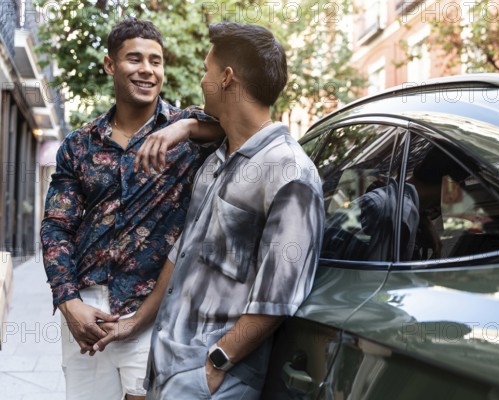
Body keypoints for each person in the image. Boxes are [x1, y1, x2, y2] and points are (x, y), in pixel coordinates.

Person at [138, 22, 324, 399]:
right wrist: (135, 325)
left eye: (206, 70)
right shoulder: (217, 161)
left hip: (211, 379)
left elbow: (279, 296)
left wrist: (214, 364)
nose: (201, 80)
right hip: (169, 365)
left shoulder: (290, 172)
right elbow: (184, 251)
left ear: (226, 78)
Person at [40, 18, 223, 400]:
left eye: (155, 61)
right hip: (87, 306)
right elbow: (56, 226)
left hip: (152, 308)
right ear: (110, 65)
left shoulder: (186, 131)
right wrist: (68, 302)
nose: (146, 70)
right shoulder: (79, 144)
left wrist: (184, 128)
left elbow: (233, 129)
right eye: (134, 59)